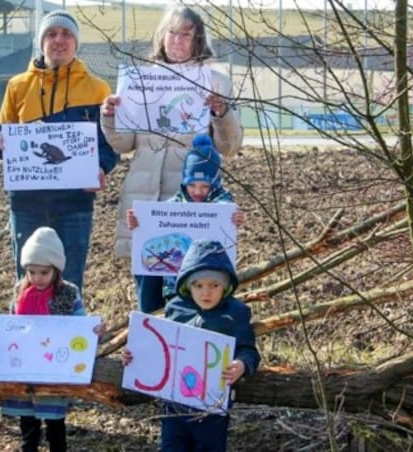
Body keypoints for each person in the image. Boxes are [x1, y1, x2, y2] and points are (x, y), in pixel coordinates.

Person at [100, 5, 243, 300]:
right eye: (172, 33)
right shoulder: (140, 81)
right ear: (161, 37)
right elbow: (123, 144)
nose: (177, 40)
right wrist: (110, 116)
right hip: (146, 207)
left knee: (191, 297)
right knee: (149, 298)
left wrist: (221, 113)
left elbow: (229, 147)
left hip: (193, 209)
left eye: (186, 35)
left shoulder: (215, 83)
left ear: (198, 39)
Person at [0, 9, 119, 291]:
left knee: (70, 282)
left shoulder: (98, 89)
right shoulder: (17, 86)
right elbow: (1, 138)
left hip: (74, 203)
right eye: (51, 33)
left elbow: (110, 144)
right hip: (27, 202)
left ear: (76, 43)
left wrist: (102, 167)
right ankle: (27, 333)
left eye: (66, 34)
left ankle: (68, 334)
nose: (58, 40)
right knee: (26, 281)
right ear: (41, 41)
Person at [122, 239, 260, 451]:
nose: (206, 292)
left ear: (225, 286)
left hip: (212, 406)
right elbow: (159, 347)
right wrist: (134, 356)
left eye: (214, 285)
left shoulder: (235, 312)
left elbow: (248, 350)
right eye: (199, 285)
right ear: (187, 285)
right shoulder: (175, 308)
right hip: (173, 404)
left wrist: (241, 364)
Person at [0, 227, 103, 452]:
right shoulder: (20, 293)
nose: (37, 278)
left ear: (56, 270)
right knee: (28, 422)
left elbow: (79, 324)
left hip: (55, 368)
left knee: (54, 422)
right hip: (25, 367)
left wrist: (94, 332)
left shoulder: (68, 294)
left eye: (43, 272)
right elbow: (12, 325)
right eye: (31, 272)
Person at [126, 133, 245, 313]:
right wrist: (139, 222)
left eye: (205, 186)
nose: (197, 191)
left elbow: (226, 212)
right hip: (173, 284)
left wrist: (236, 218)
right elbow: (154, 223)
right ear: (184, 182)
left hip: (206, 281)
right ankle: (148, 315)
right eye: (192, 185)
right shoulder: (175, 204)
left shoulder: (222, 203)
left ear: (215, 183)